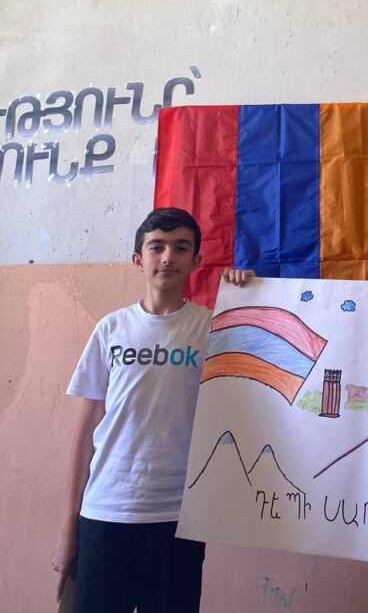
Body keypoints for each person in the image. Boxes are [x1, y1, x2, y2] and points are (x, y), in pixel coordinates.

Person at [53, 207, 253, 613]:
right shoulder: (110, 329)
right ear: (138, 259)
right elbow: (87, 429)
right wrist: (68, 524)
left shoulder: (213, 328)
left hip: (178, 520)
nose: (168, 257)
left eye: (181, 248)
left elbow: (251, 385)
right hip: (104, 514)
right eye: (157, 247)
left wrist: (249, 295)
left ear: (196, 260)